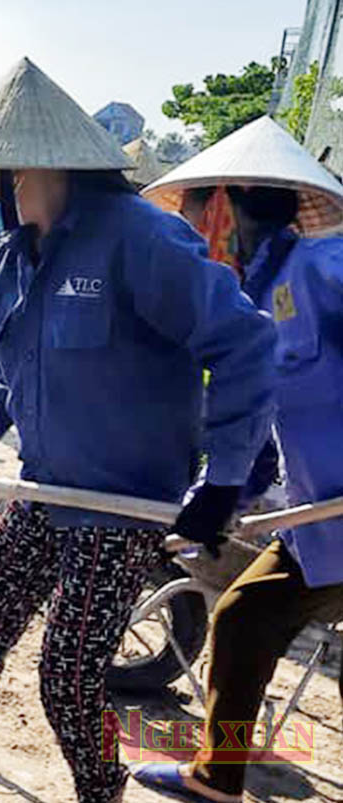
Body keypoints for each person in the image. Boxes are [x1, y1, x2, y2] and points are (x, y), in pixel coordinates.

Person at [0, 58, 276, 803]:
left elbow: (244, 343)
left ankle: (98, 790)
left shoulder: (141, 240)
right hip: (46, 485)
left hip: (121, 506)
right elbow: (13, 374)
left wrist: (221, 480)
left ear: (37, 169)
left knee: (65, 675)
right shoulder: (13, 259)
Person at [131, 115, 343, 803]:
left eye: (196, 206)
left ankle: (217, 774)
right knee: (246, 617)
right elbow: (264, 423)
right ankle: (217, 772)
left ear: (223, 204)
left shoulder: (323, 268)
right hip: (317, 519)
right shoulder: (255, 295)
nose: (190, 224)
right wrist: (215, 496)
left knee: (247, 616)